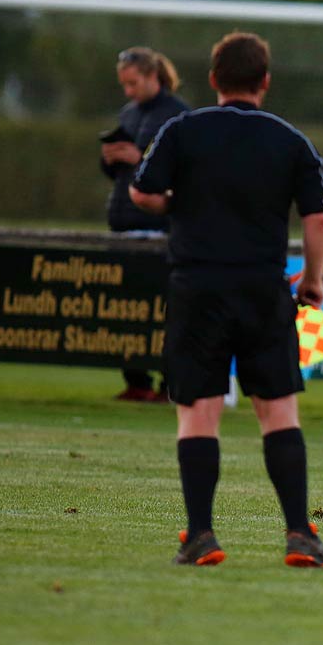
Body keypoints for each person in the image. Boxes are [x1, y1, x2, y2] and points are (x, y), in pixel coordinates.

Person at [129, 31, 323, 569]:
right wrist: (312, 281)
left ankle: (201, 535)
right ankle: (298, 534)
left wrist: (180, 201)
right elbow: (318, 219)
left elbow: (142, 191)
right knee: (279, 413)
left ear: (214, 80)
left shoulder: (183, 129)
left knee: (197, 414)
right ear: (265, 82)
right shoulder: (290, 140)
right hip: (263, 289)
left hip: (196, 287)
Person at [100, 47, 188, 401]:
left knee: (166, 312)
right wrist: (110, 159)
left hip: (160, 230)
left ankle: (170, 384)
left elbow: (184, 173)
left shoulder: (179, 115)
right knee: (125, 311)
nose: (128, 92)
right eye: (124, 84)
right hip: (123, 224)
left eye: (133, 83)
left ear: (154, 77)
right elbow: (120, 176)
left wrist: (140, 159)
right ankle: (137, 382)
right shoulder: (129, 113)